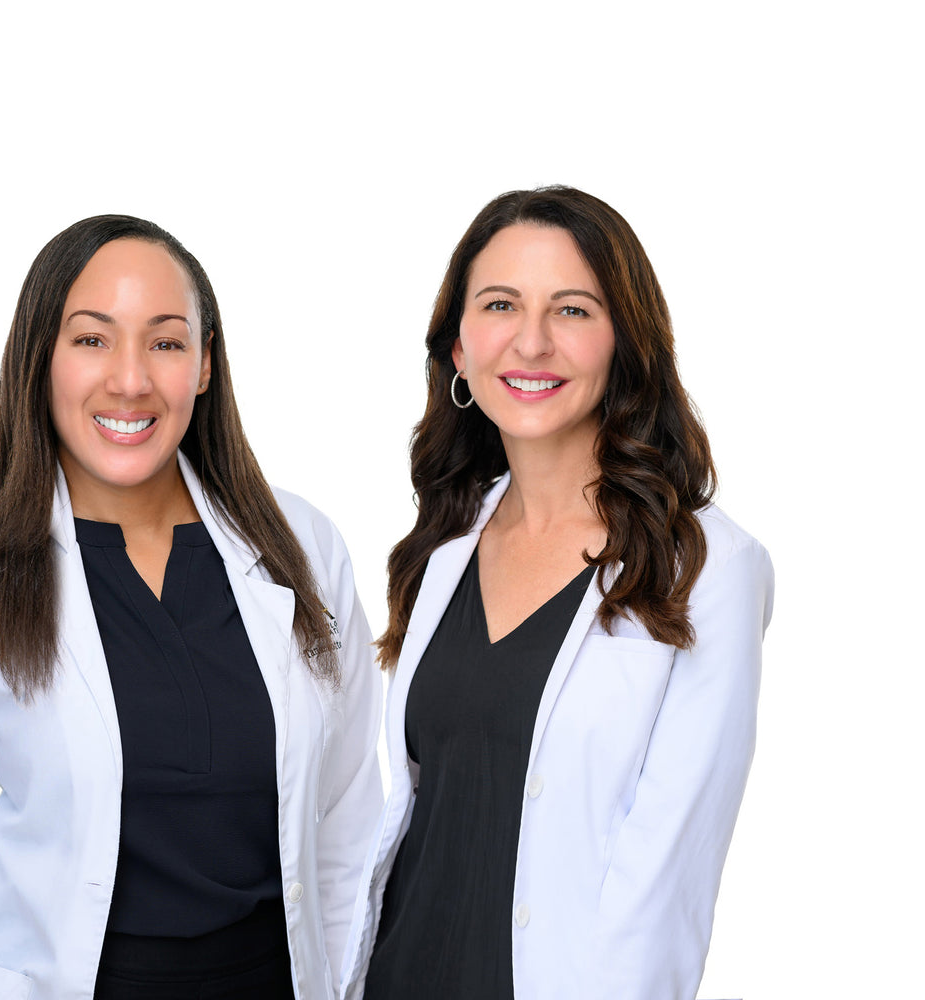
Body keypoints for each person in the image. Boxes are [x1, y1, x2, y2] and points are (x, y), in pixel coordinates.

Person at [0, 215, 382, 1000]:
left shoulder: (301, 545)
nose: (130, 380)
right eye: (92, 340)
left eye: (166, 342)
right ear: (41, 359)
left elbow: (346, 820)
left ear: (205, 365)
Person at [340, 187, 775, 1000]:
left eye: (572, 310)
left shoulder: (706, 567)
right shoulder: (444, 546)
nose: (531, 342)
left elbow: (667, 882)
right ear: (459, 350)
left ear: (625, 344)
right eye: (500, 304)